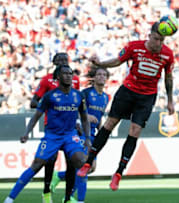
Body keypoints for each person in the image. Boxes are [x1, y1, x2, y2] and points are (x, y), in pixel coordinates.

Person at [76, 22, 175, 191]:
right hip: (128, 91)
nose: (159, 44)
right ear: (150, 35)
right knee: (109, 124)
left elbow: (168, 78)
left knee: (134, 131)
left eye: (162, 40)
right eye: (156, 39)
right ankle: (88, 162)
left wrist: (170, 99)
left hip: (147, 97)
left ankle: (119, 173)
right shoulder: (134, 47)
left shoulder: (167, 55)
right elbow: (117, 60)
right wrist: (100, 64)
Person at [4, 65, 91, 203]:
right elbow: (36, 116)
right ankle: (10, 199)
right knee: (37, 164)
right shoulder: (50, 96)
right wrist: (27, 133)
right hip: (52, 136)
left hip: (70, 135)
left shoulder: (79, 96)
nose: (69, 76)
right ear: (58, 77)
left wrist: (87, 138)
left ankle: (78, 200)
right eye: (65, 73)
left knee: (81, 161)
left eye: (70, 73)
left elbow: (85, 119)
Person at [50, 67, 110, 203]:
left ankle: (59, 177)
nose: (101, 77)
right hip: (81, 133)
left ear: (107, 78)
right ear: (93, 78)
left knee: (91, 168)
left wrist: (101, 132)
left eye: (104, 75)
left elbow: (99, 117)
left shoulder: (106, 97)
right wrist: (86, 116)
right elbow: (72, 108)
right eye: (98, 74)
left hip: (93, 135)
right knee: (84, 166)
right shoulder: (86, 93)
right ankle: (77, 200)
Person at [29, 52, 81, 203]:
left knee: (71, 161)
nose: (62, 62)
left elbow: (78, 103)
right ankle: (46, 192)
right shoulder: (47, 80)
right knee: (50, 159)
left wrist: (79, 121)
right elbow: (34, 100)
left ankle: (68, 197)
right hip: (52, 126)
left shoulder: (75, 80)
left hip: (70, 126)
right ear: (54, 63)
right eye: (59, 60)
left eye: (65, 60)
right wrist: (44, 106)